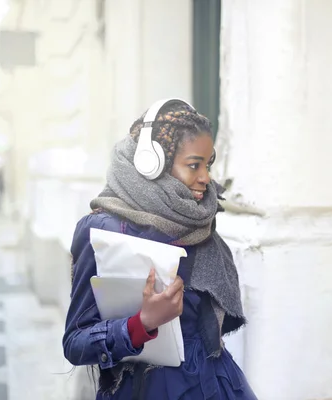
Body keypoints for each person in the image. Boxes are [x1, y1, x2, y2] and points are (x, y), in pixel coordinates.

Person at [63, 99, 257, 400]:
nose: (206, 177)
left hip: (216, 384)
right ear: (152, 163)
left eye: (208, 165)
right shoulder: (104, 229)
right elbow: (75, 343)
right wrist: (142, 324)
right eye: (194, 165)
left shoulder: (201, 222)